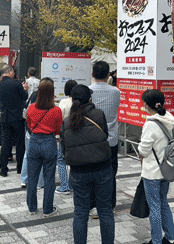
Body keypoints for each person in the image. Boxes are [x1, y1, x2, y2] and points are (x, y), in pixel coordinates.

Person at [61, 84, 114, 244]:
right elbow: (104, 134)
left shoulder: (66, 122)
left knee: (80, 212)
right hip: (102, 168)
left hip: (78, 171)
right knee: (105, 211)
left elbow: (64, 147)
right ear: (89, 99)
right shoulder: (98, 114)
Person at [138, 89, 174, 244]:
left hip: (152, 172)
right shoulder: (170, 119)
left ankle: (156, 241)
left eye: (144, 102)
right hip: (167, 170)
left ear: (148, 105)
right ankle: (171, 237)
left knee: (154, 206)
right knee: (163, 203)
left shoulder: (150, 124)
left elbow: (144, 150)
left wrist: (140, 153)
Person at [25, 78, 63, 217]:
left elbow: (29, 124)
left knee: (32, 177)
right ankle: (47, 209)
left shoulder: (31, 107)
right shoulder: (56, 110)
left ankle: (32, 207)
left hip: (34, 141)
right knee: (49, 178)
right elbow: (58, 128)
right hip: (49, 142)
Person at [89, 60, 120, 214]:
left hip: (92, 140)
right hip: (111, 139)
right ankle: (110, 204)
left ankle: (93, 204)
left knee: (93, 172)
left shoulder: (88, 91)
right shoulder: (116, 92)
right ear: (108, 75)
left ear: (92, 74)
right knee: (110, 173)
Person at [0, 64, 28, 177]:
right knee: (20, 143)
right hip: (18, 117)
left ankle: (3, 169)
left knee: (5, 143)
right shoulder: (17, 83)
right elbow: (24, 97)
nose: (14, 74)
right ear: (9, 72)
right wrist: (25, 89)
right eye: (13, 72)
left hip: (5, 117)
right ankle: (20, 168)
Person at [55, 79, 78, 194]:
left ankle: (64, 186)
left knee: (61, 159)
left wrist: (57, 135)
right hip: (77, 135)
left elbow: (59, 119)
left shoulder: (63, 102)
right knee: (74, 160)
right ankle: (72, 184)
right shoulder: (78, 102)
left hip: (64, 135)